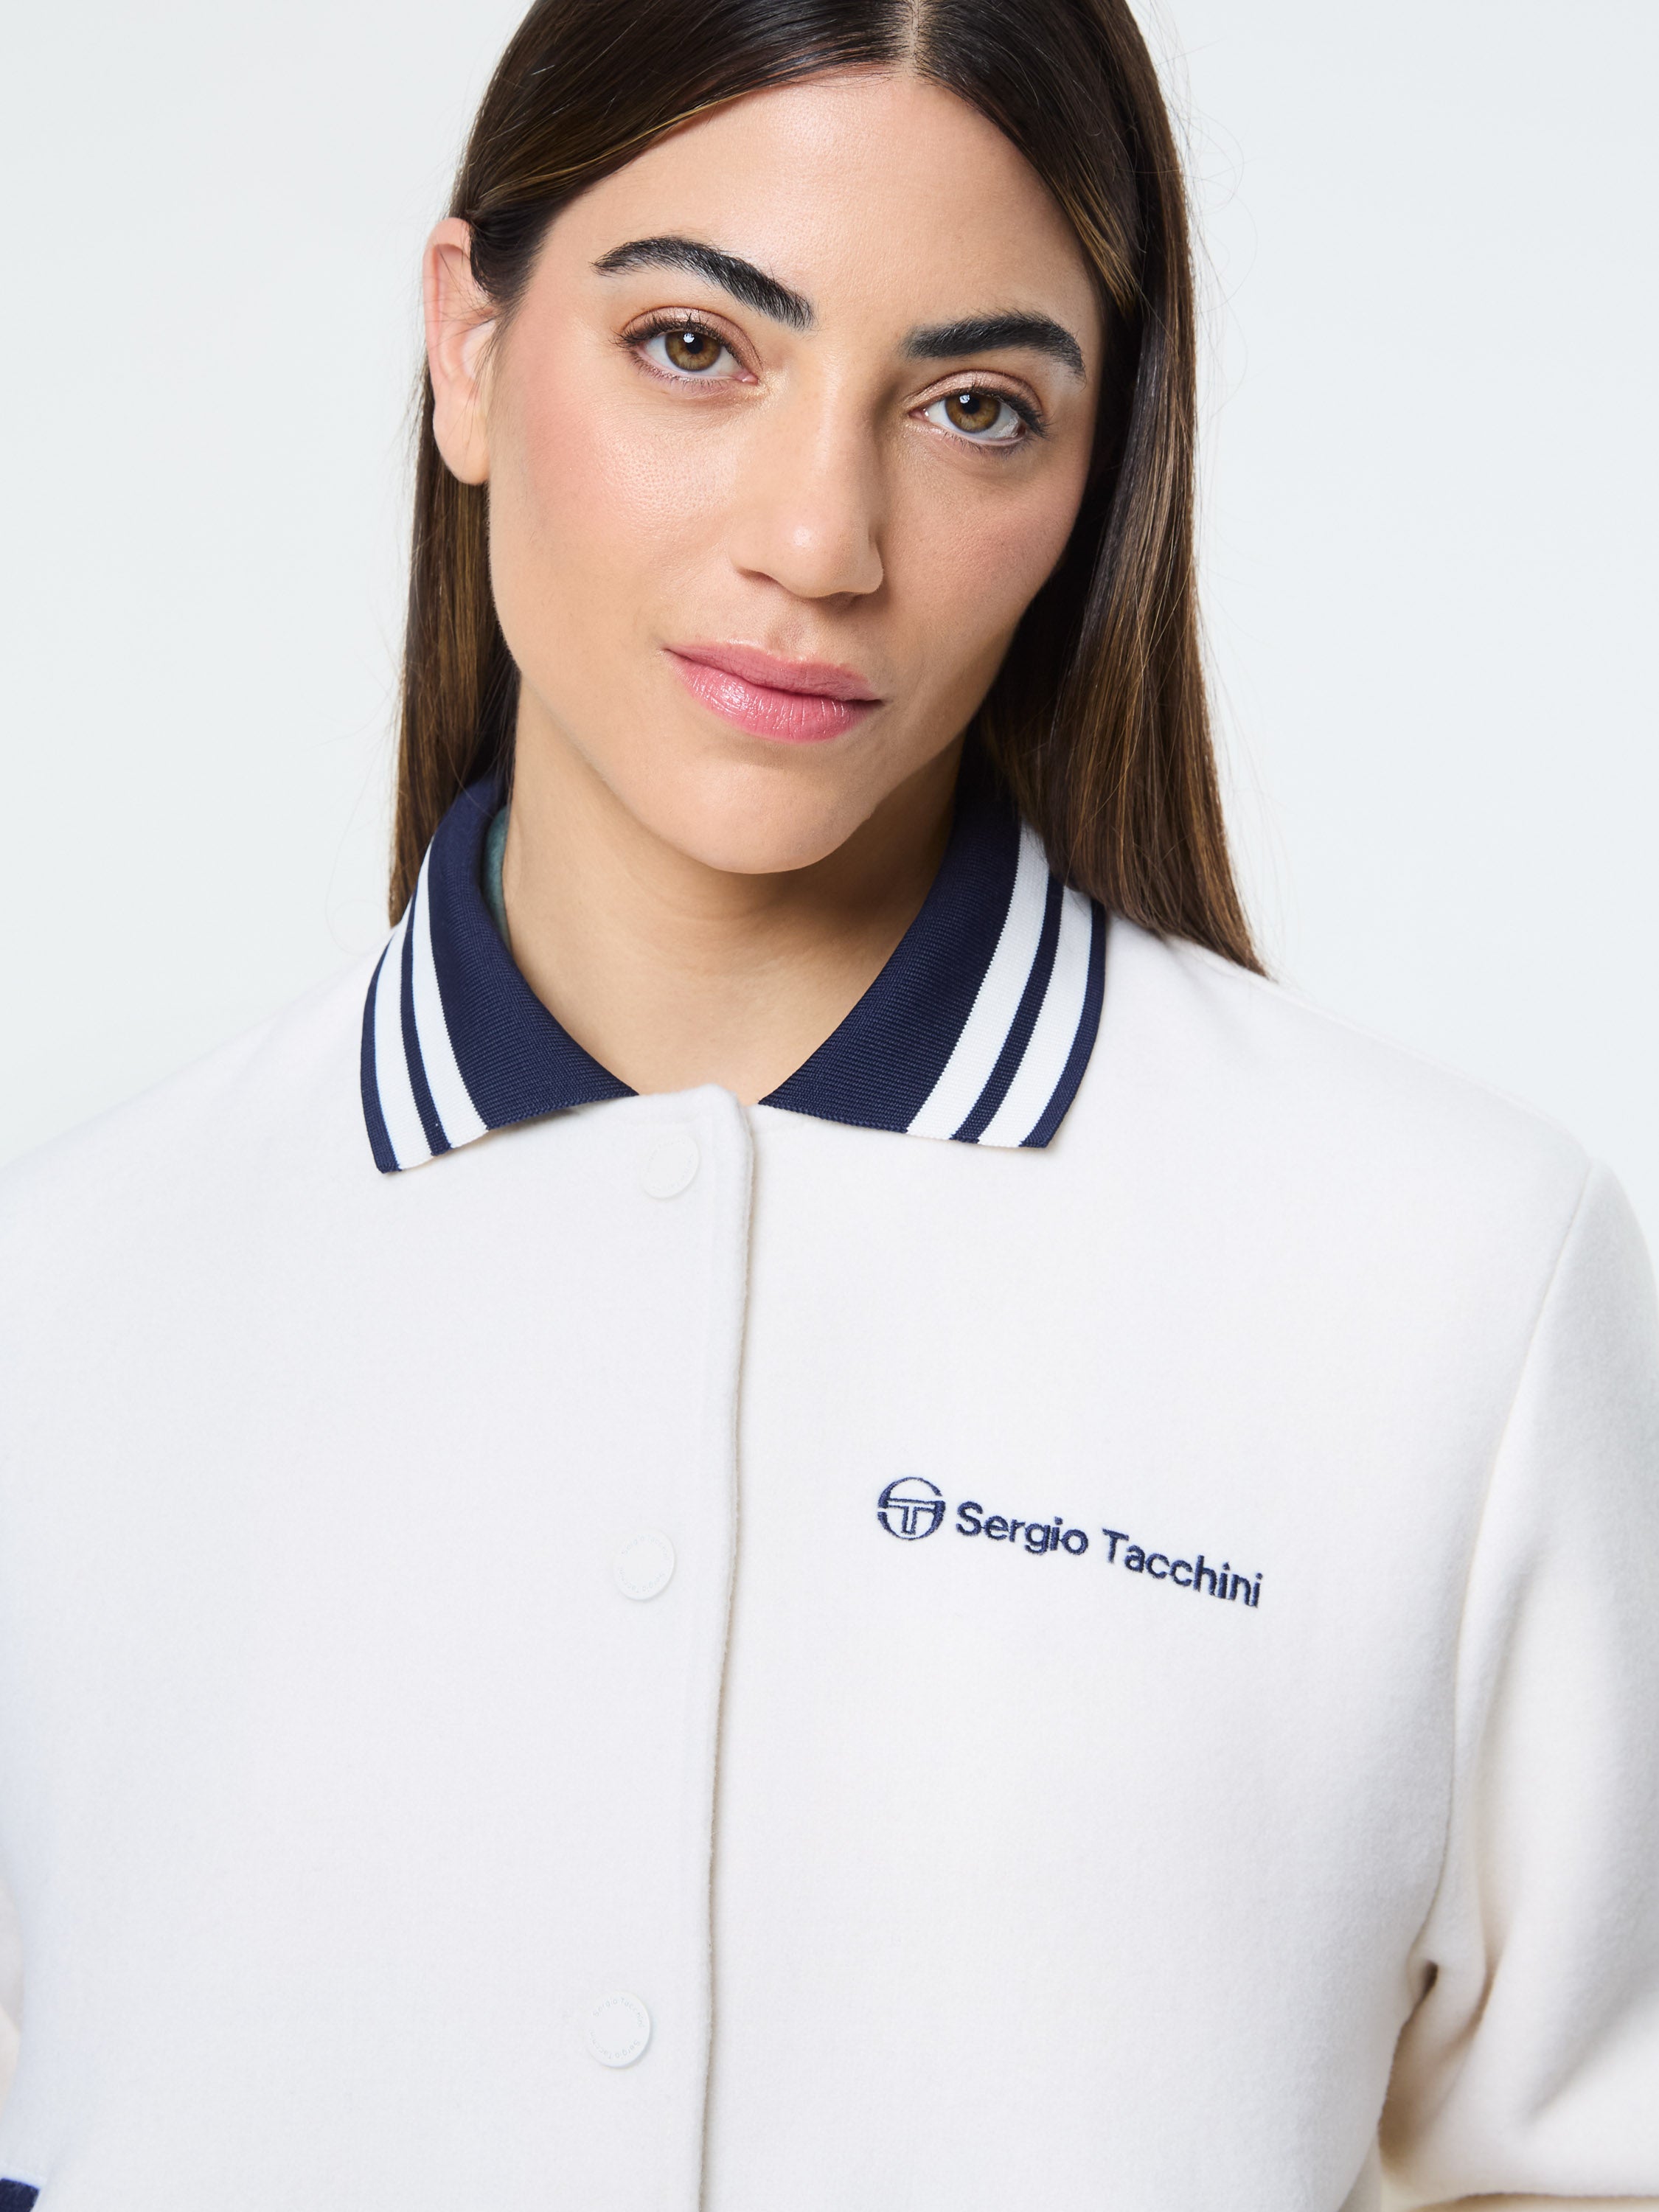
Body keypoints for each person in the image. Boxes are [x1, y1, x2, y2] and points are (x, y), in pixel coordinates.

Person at [0, 0, 1654, 2205]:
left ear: (1095, 475)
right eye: (696, 346)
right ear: (469, 348)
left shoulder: (1445, 1280)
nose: (819, 537)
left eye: (975, 407)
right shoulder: (60, 1310)